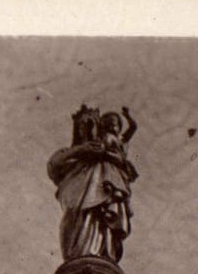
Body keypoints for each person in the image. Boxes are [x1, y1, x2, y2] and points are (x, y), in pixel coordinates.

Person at [46, 106, 138, 263]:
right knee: (74, 226)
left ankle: (102, 254)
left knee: (101, 219)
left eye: (90, 125)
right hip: (76, 202)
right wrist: (80, 150)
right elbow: (53, 166)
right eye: (82, 125)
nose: (85, 129)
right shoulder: (73, 154)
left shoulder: (105, 156)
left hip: (103, 193)